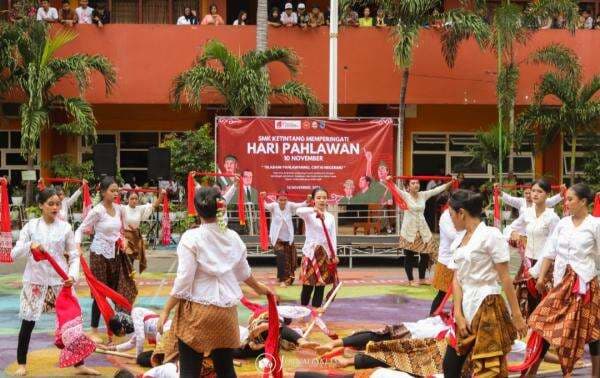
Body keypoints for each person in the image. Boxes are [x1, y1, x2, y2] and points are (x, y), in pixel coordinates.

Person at [156, 187, 273, 377]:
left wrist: (166, 310)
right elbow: (244, 272)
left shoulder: (191, 237)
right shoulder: (232, 237)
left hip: (198, 313)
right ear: (222, 209)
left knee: (189, 371)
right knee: (225, 368)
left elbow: (184, 280)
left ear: (196, 210)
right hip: (225, 314)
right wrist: (261, 289)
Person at [11, 188, 99, 376]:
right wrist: (30, 245)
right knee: (28, 322)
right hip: (35, 281)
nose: (55, 207)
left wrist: (73, 276)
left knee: (71, 324)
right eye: (50, 203)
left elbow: (74, 256)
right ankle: (21, 364)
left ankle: (79, 364)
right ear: (41, 205)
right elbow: (14, 254)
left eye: (57, 204)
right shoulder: (30, 227)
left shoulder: (65, 228)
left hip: (61, 282)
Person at [442, 190, 527, 377]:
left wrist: (517, 315)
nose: (451, 219)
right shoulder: (459, 240)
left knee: (487, 367)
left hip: (487, 303)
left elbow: (505, 277)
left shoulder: (491, 235)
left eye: (451, 215)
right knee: (451, 364)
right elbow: (457, 278)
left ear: (461, 213)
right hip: (465, 305)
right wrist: (457, 313)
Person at [528, 183, 600, 376]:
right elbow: (549, 252)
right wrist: (541, 277)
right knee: (543, 322)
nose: (566, 203)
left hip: (583, 285)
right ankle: (532, 371)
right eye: (566, 199)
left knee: (588, 329)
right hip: (560, 284)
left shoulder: (595, 225)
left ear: (584, 202)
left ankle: (595, 373)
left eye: (570, 199)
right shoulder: (562, 223)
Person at [75, 176, 138, 333]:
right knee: (100, 292)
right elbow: (81, 229)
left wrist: (123, 241)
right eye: (112, 190)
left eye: (117, 190)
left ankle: (117, 325)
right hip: (99, 255)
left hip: (116, 255)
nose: (115, 193)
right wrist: (77, 245)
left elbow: (121, 230)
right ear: (103, 192)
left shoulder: (120, 209)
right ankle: (94, 329)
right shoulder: (97, 211)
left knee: (121, 288)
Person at [508, 179, 559, 320]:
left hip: (546, 264)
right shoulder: (527, 213)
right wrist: (513, 233)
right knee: (529, 303)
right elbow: (511, 227)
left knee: (545, 304)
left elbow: (553, 245)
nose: (535, 194)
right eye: (533, 191)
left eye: (540, 191)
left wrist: (538, 272)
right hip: (528, 261)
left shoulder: (552, 217)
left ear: (548, 194)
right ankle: (531, 338)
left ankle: (543, 340)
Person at [389, 177, 453, 286]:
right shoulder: (405, 195)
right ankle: (410, 280)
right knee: (409, 255)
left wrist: (451, 182)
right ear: (408, 187)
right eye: (413, 183)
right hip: (409, 231)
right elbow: (394, 188)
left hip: (423, 230)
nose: (416, 185)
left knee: (425, 254)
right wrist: (389, 180)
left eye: (417, 183)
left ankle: (422, 278)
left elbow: (436, 190)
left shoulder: (423, 195)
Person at [296, 187, 338, 308]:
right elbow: (298, 211)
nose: (322, 200)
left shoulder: (330, 217)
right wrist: (314, 210)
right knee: (308, 285)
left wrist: (333, 254)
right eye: (318, 198)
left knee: (321, 285)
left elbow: (332, 237)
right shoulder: (309, 214)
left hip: (324, 254)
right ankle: (303, 311)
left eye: (324, 198)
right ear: (314, 200)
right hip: (310, 253)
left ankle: (315, 313)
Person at [264, 191, 309, 287]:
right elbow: (264, 205)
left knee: (291, 260)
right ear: (277, 200)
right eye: (281, 200)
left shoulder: (290, 205)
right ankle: (282, 280)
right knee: (281, 256)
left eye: (285, 200)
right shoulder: (273, 206)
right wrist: (262, 197)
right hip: (277, 238)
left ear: (287, 200)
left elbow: (302, 204)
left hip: (289, 239)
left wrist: (308, 200)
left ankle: (285, 277)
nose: (283, 202)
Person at [122, 189, 165, 273]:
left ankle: (129, 279)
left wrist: (161, 195)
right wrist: (116, 192)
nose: (134, 201)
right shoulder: (122, 208)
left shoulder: (139, 209)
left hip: (135, 237)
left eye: (136, 198)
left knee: (131, 260)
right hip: (125, 237)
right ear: (127, 199)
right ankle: (126, 279)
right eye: (132, 199)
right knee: (126, 260)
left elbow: (154, 205)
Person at [98, 307, 171, 356]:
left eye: (123, 332)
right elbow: (131, 343)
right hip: (166, 334)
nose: (126, 333)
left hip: (168, 330)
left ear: (123, 323)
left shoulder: (135, 312)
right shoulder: (138, 324)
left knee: (158, 339)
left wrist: (138, 356)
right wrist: (110, 348)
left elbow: (141, 338)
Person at [429, 194, 457, 315]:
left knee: (460, 293)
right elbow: (452, 236)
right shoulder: (446, 217)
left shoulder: (457, 215)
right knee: (443, 293)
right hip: (447, 260)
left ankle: (456, 317)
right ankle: (432, 316)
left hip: (457, 260)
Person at [495, 183, 564, 216]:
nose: (528, 195)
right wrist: (499, 191)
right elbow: (509, 199)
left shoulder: (540, 201)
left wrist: (562, 192)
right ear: (523, 194)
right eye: (526, 193)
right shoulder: (521, 201)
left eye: (530, 193)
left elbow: (552, 201)